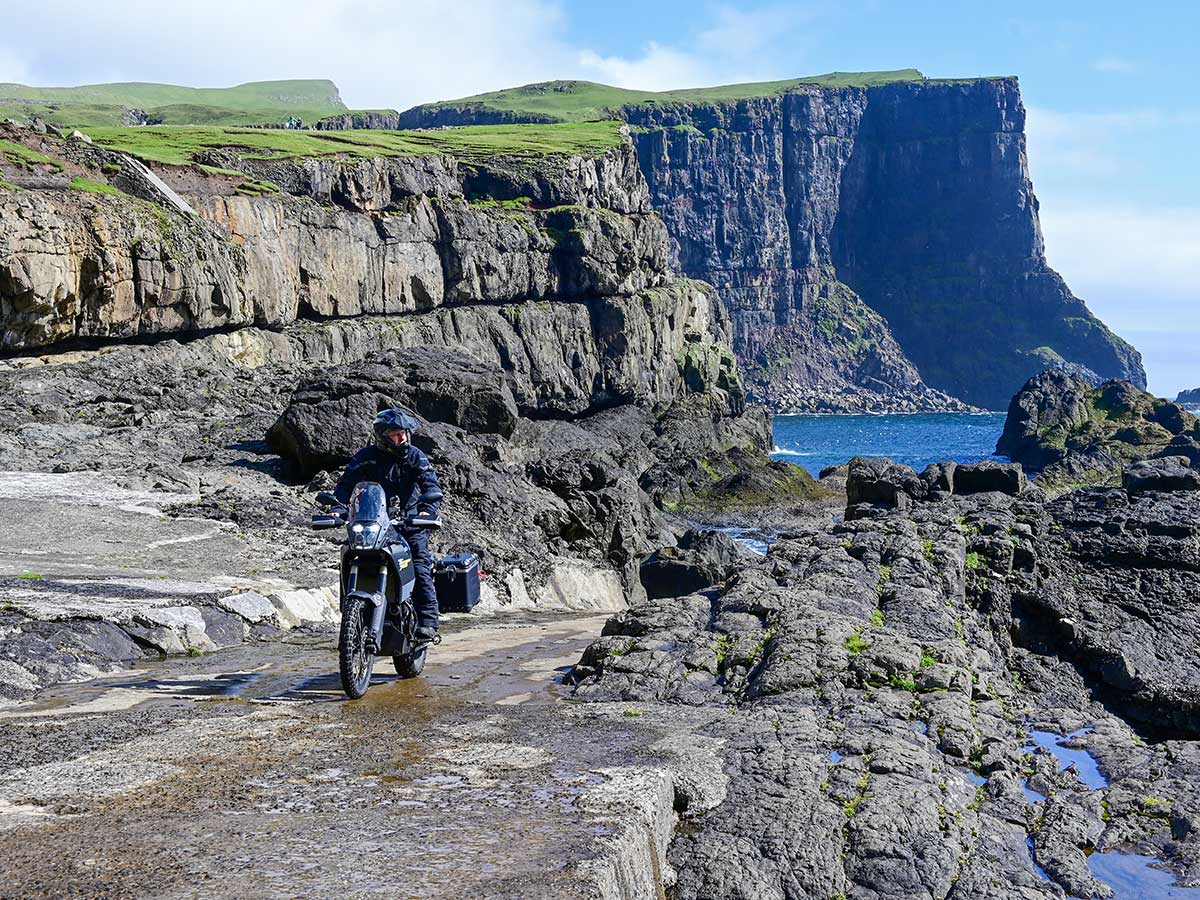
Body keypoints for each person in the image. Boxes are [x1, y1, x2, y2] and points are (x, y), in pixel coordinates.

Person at [333, 408, 443, 642]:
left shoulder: (415, 456)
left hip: (410, 521)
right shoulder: (366, 457)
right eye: (395, 434)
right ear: (382, 436)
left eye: (403, 433)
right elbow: (346, 485)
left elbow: (431, 486)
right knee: (350, 553)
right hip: (375, 521)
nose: (401, 438)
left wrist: (427, 509)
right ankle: (351, 617)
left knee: (420, 563)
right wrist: (337, 506)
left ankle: (428, 622)